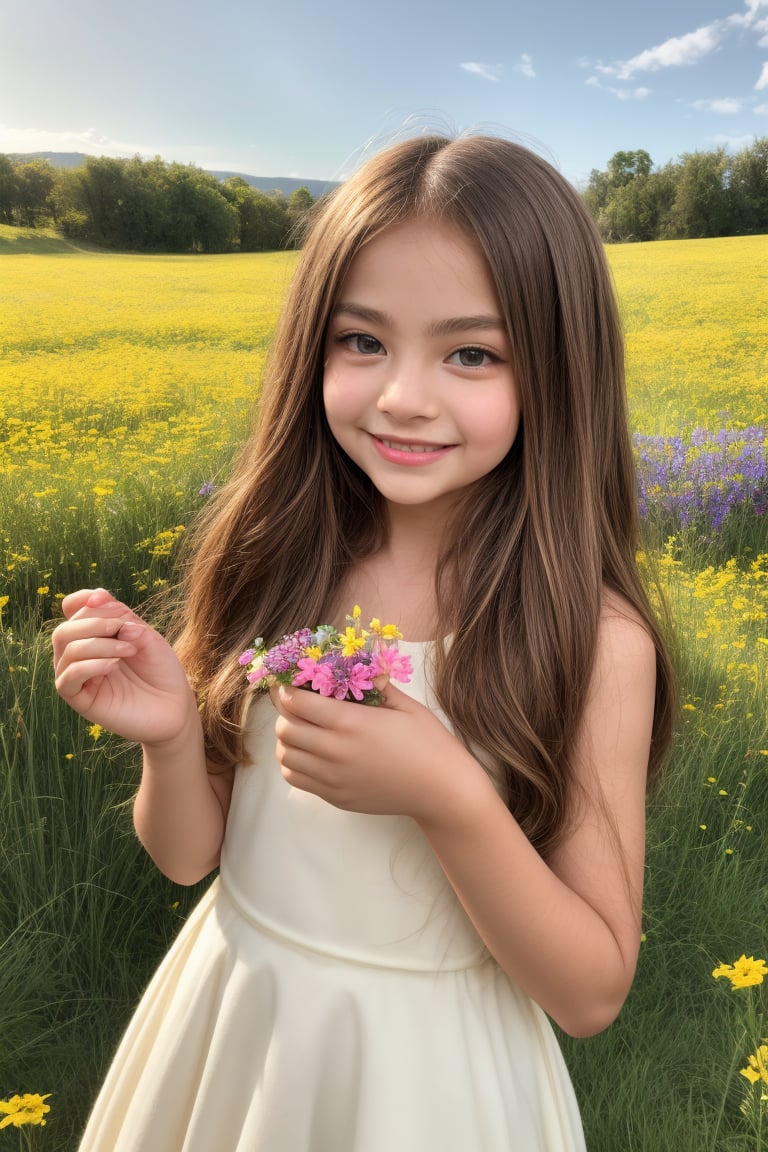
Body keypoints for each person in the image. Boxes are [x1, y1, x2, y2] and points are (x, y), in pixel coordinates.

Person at [52, 133, 674, 1151]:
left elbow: (591, 992)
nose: (403, 397)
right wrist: (169, 741)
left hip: (430, 1085)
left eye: (472, 353)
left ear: (559, 373)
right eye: (362, 341)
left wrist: (451, 796)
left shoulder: (593, 641)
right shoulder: (278, 559)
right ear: (313, 347)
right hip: (236, 1028)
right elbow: (190, 859)